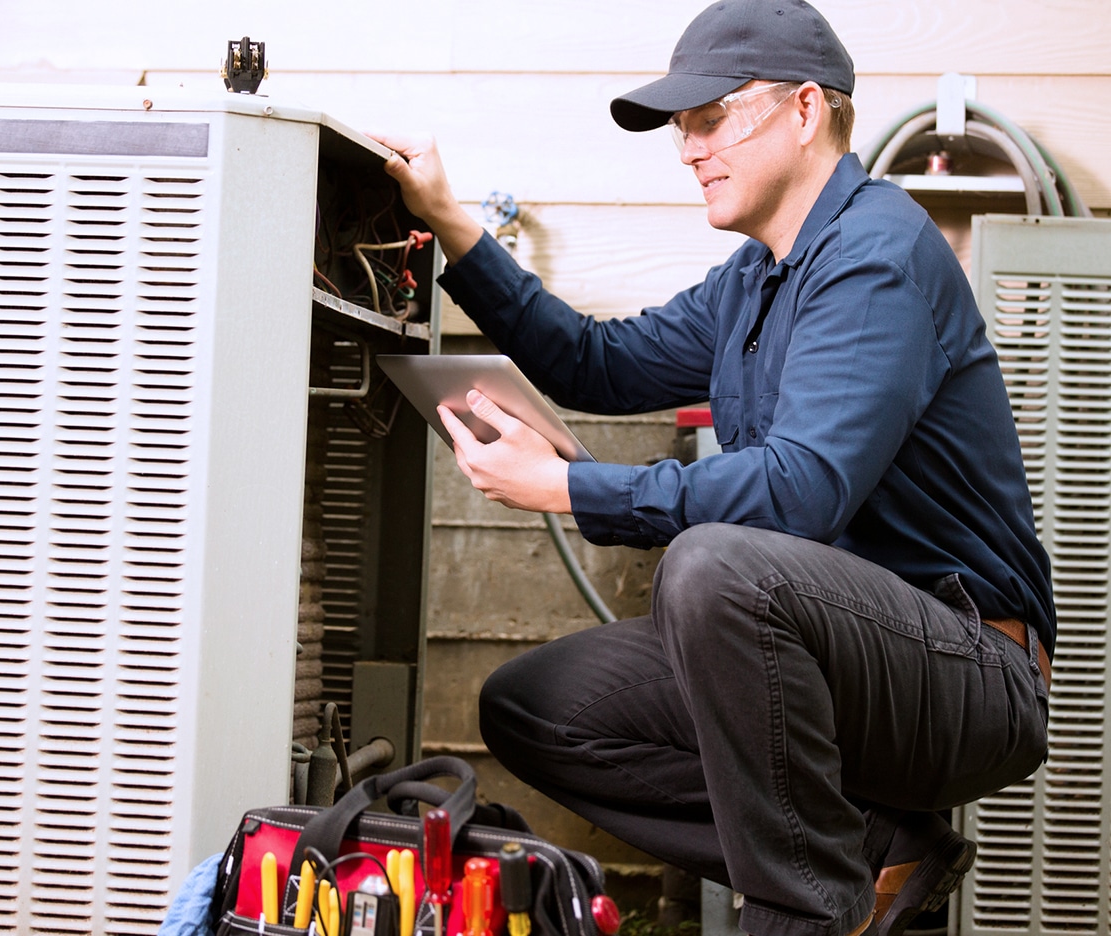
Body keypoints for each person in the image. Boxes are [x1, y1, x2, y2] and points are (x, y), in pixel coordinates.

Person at [370, 0, 1054, 933]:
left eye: (709, 117)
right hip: (827, 652)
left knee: (716, 565)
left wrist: (569, 486)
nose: (687, 147)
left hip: (965, 666)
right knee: (537, 707)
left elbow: (800, 492)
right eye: (679, 128)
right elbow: (593, 362)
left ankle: (799, 914)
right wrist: (451, 224)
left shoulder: (876, 257)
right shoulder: (755, 276)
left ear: (805, 111)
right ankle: (865, 846)